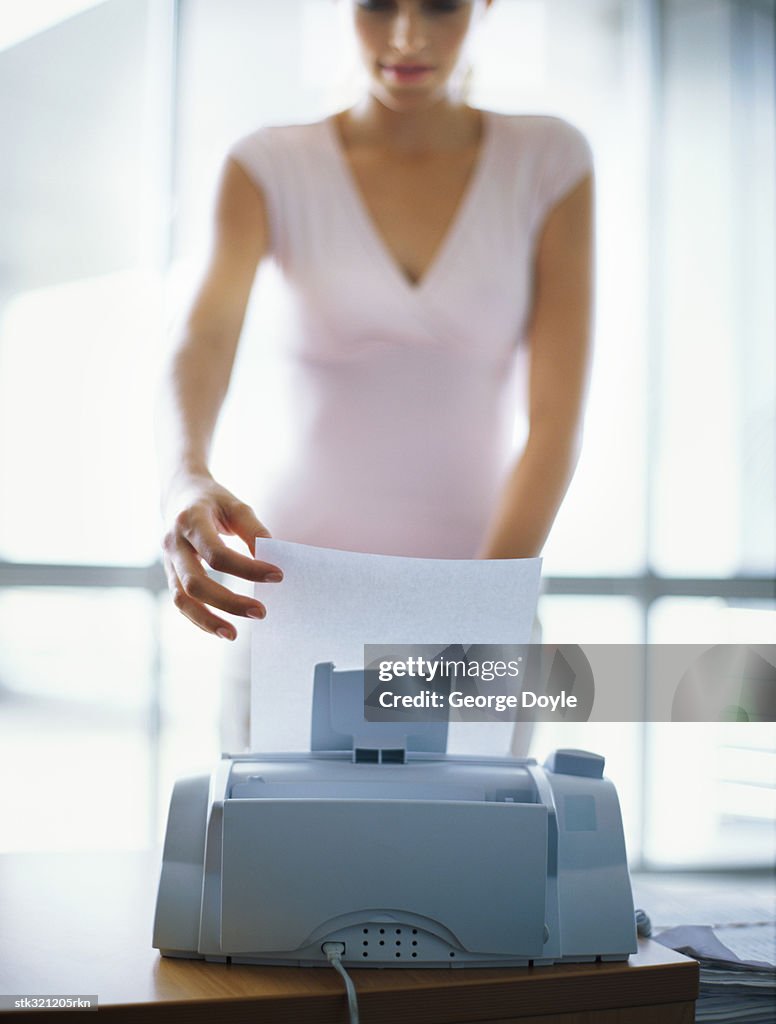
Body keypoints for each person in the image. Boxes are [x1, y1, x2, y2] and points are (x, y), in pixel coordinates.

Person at [156, 0, 594, 748]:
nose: (406, 37)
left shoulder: (549, 161)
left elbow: (555, 418)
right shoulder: (267, 165)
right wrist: (185, 474)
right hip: (294, 600)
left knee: (467, 864)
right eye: (377, 4)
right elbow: (205, 333)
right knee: (281, 860)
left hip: (484, 601)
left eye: (440, 6)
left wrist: (480, 611)